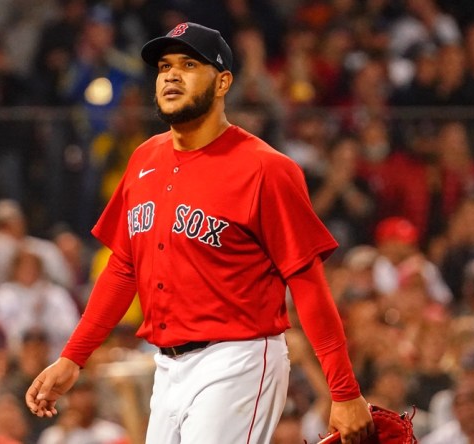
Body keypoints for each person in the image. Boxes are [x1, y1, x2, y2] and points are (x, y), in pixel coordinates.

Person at [26, 22, 374, 444]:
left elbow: (308, 283)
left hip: (239, 359)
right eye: (165, 66)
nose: (171, 75)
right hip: (167, 367)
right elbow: (123, 269)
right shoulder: (144, 159)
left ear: (223, 81)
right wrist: (73, 357)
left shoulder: (266, 169)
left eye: (189, 64)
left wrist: (344, 391)